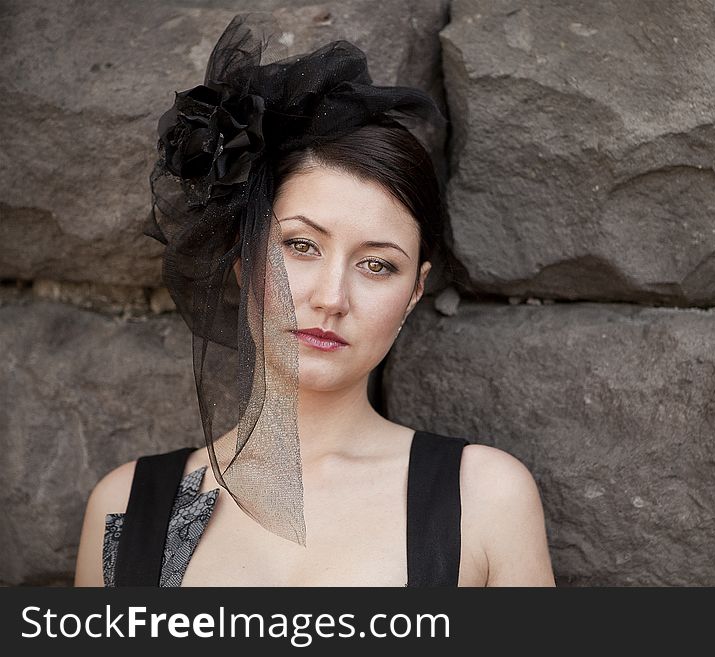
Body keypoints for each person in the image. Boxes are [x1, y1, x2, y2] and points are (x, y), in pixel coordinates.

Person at [73, 13, 555, 587]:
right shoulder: (127, 506)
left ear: (414, 292)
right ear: (242, 257)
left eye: (377, 265)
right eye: (300, 245)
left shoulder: (484, 497)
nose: (332, 297)